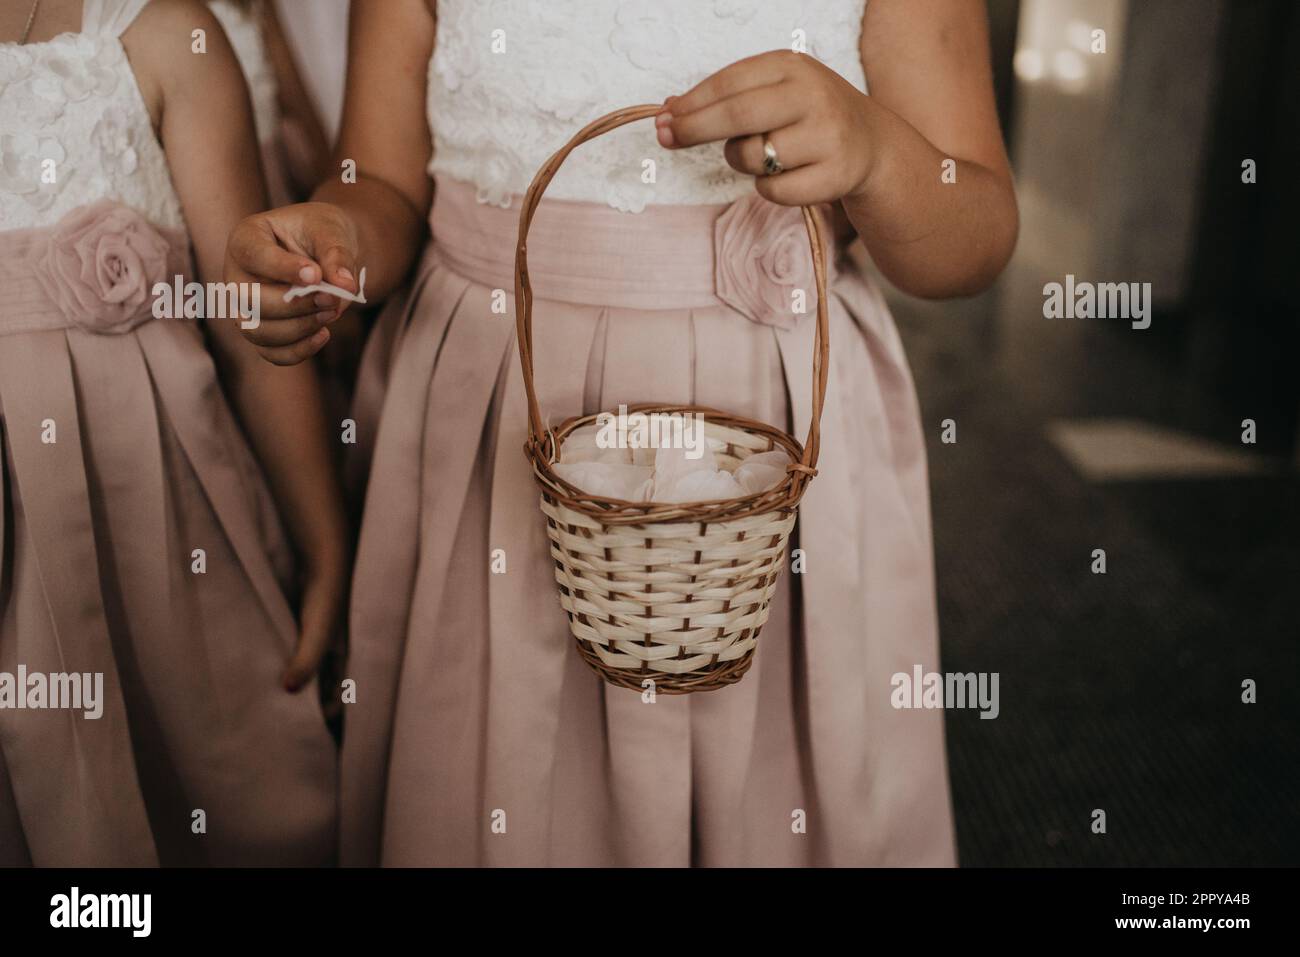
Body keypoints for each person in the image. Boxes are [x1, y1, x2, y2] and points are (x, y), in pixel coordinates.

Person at [226, 0, 1018, 866]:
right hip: (496, 405)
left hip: (772, 433)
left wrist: (874, 152)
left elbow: (972, 232)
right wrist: (339, 241)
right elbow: (378, 176)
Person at [0, 0, 345, 865]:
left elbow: (248, 326)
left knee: (208, 778)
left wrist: (324, 543)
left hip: (152, 524)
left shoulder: (161, 33)